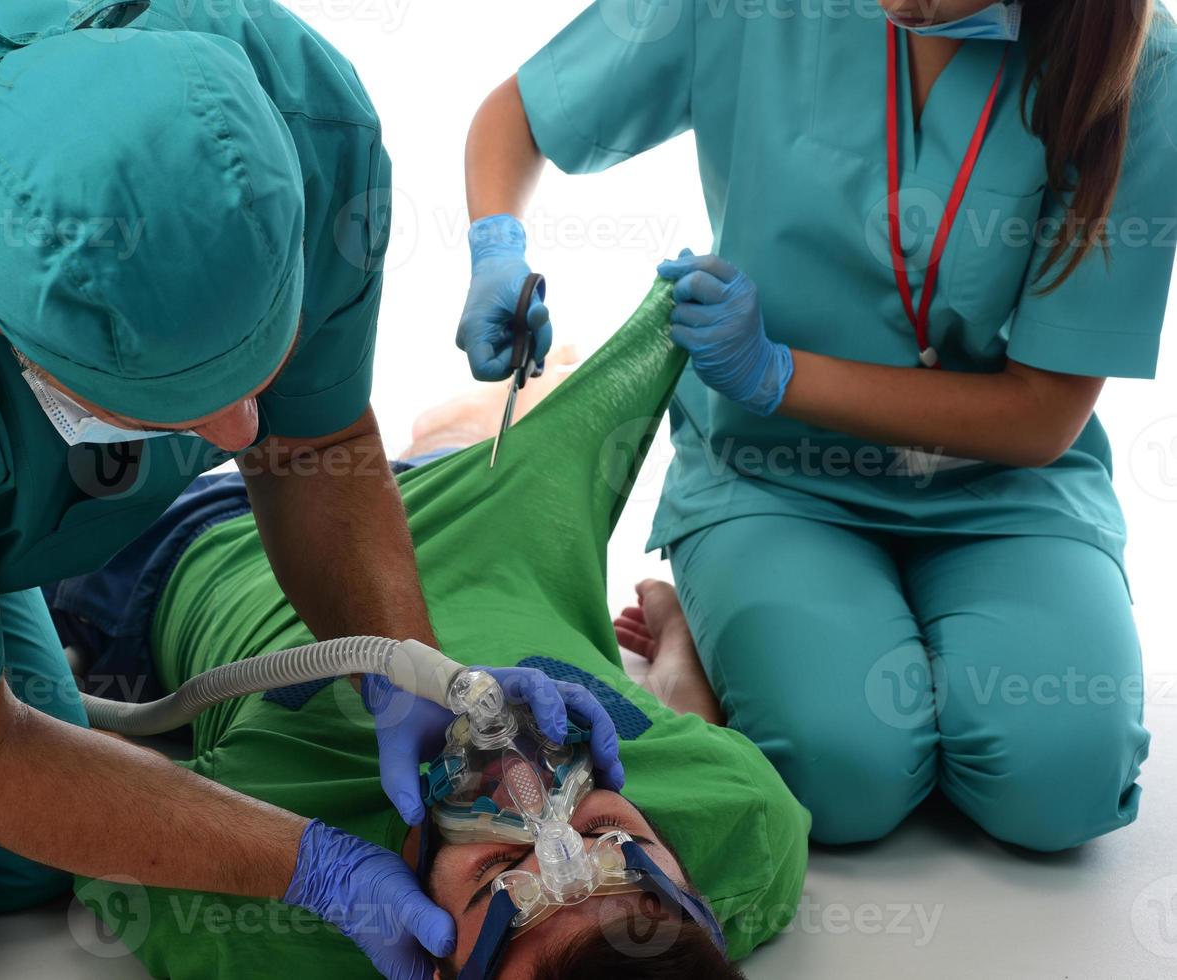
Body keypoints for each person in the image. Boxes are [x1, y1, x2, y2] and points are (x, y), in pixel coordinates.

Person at [0, 2, 622, 977]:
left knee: (17, 858)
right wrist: (309, 865)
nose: (239, 435)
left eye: (254, 371)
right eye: (171, 406)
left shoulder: (305, 124)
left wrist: (408, 671)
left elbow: (310, 450)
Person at [458, 0, 1177, 851]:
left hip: (1003, 486)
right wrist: (497, 246)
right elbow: (522, 114)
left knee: (1063, 784)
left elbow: (1042, 412)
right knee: (843, 781)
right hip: (773, 477)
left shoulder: (1137, 63)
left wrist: (780, 373)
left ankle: (787, 644)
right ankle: (691, 627)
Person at [55, 282, 809, 978]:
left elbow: (73, 789)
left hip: (192, 539)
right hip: (494, 515)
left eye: (492, 877)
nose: (530, 794)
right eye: (614, 837)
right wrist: (673, 634)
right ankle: (452, 431)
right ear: (696, 894)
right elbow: (694, 737)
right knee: (471, 431)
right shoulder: (749, 833)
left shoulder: (259, 925)